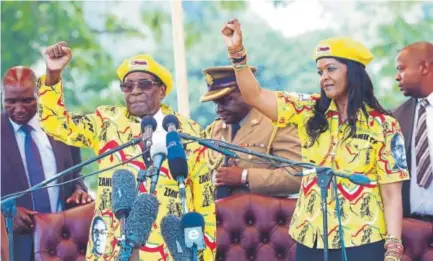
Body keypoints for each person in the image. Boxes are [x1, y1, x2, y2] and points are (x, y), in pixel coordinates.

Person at [220, 19, 409, 261]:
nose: (324, 78)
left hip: (362, 238)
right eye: (320, 72)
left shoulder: (383, 124)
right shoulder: (308, 111)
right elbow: (254, 95)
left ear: (353, 72)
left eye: (331, 69)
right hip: (311, 236)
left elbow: (392, 192)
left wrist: (393, 248)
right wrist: (237, 53)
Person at [37, 42, 215, 261]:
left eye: (144, 84)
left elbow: (205, 205)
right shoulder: (106, 123)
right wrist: (53, 75)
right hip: (113, 249)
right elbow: (55, 124)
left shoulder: (188, 132)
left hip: (168, 251)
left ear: (162, 90)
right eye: (128, 86)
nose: (135, 91)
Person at [1, 66, 91, 261]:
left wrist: (79, 190)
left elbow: (76, 174)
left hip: (64, 244)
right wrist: (5, 214)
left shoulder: (61, 127)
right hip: (14, 246)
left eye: (27, 100)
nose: (19, 108)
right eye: (10, 101)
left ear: (39, 94)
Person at [201, 65, 302, 197]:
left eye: (226, 101)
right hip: (219, 214)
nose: (219, 109)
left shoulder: (276, 124)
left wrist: (245, 176)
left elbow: (297, 176)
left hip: (264, 215)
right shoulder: (216, 129)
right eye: (216, 103)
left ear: (246, 93)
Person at [393, 41, 433, 221]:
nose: (397, 77)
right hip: (411, 228)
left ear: (424, 67)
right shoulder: (396, 118)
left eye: (401, 69)